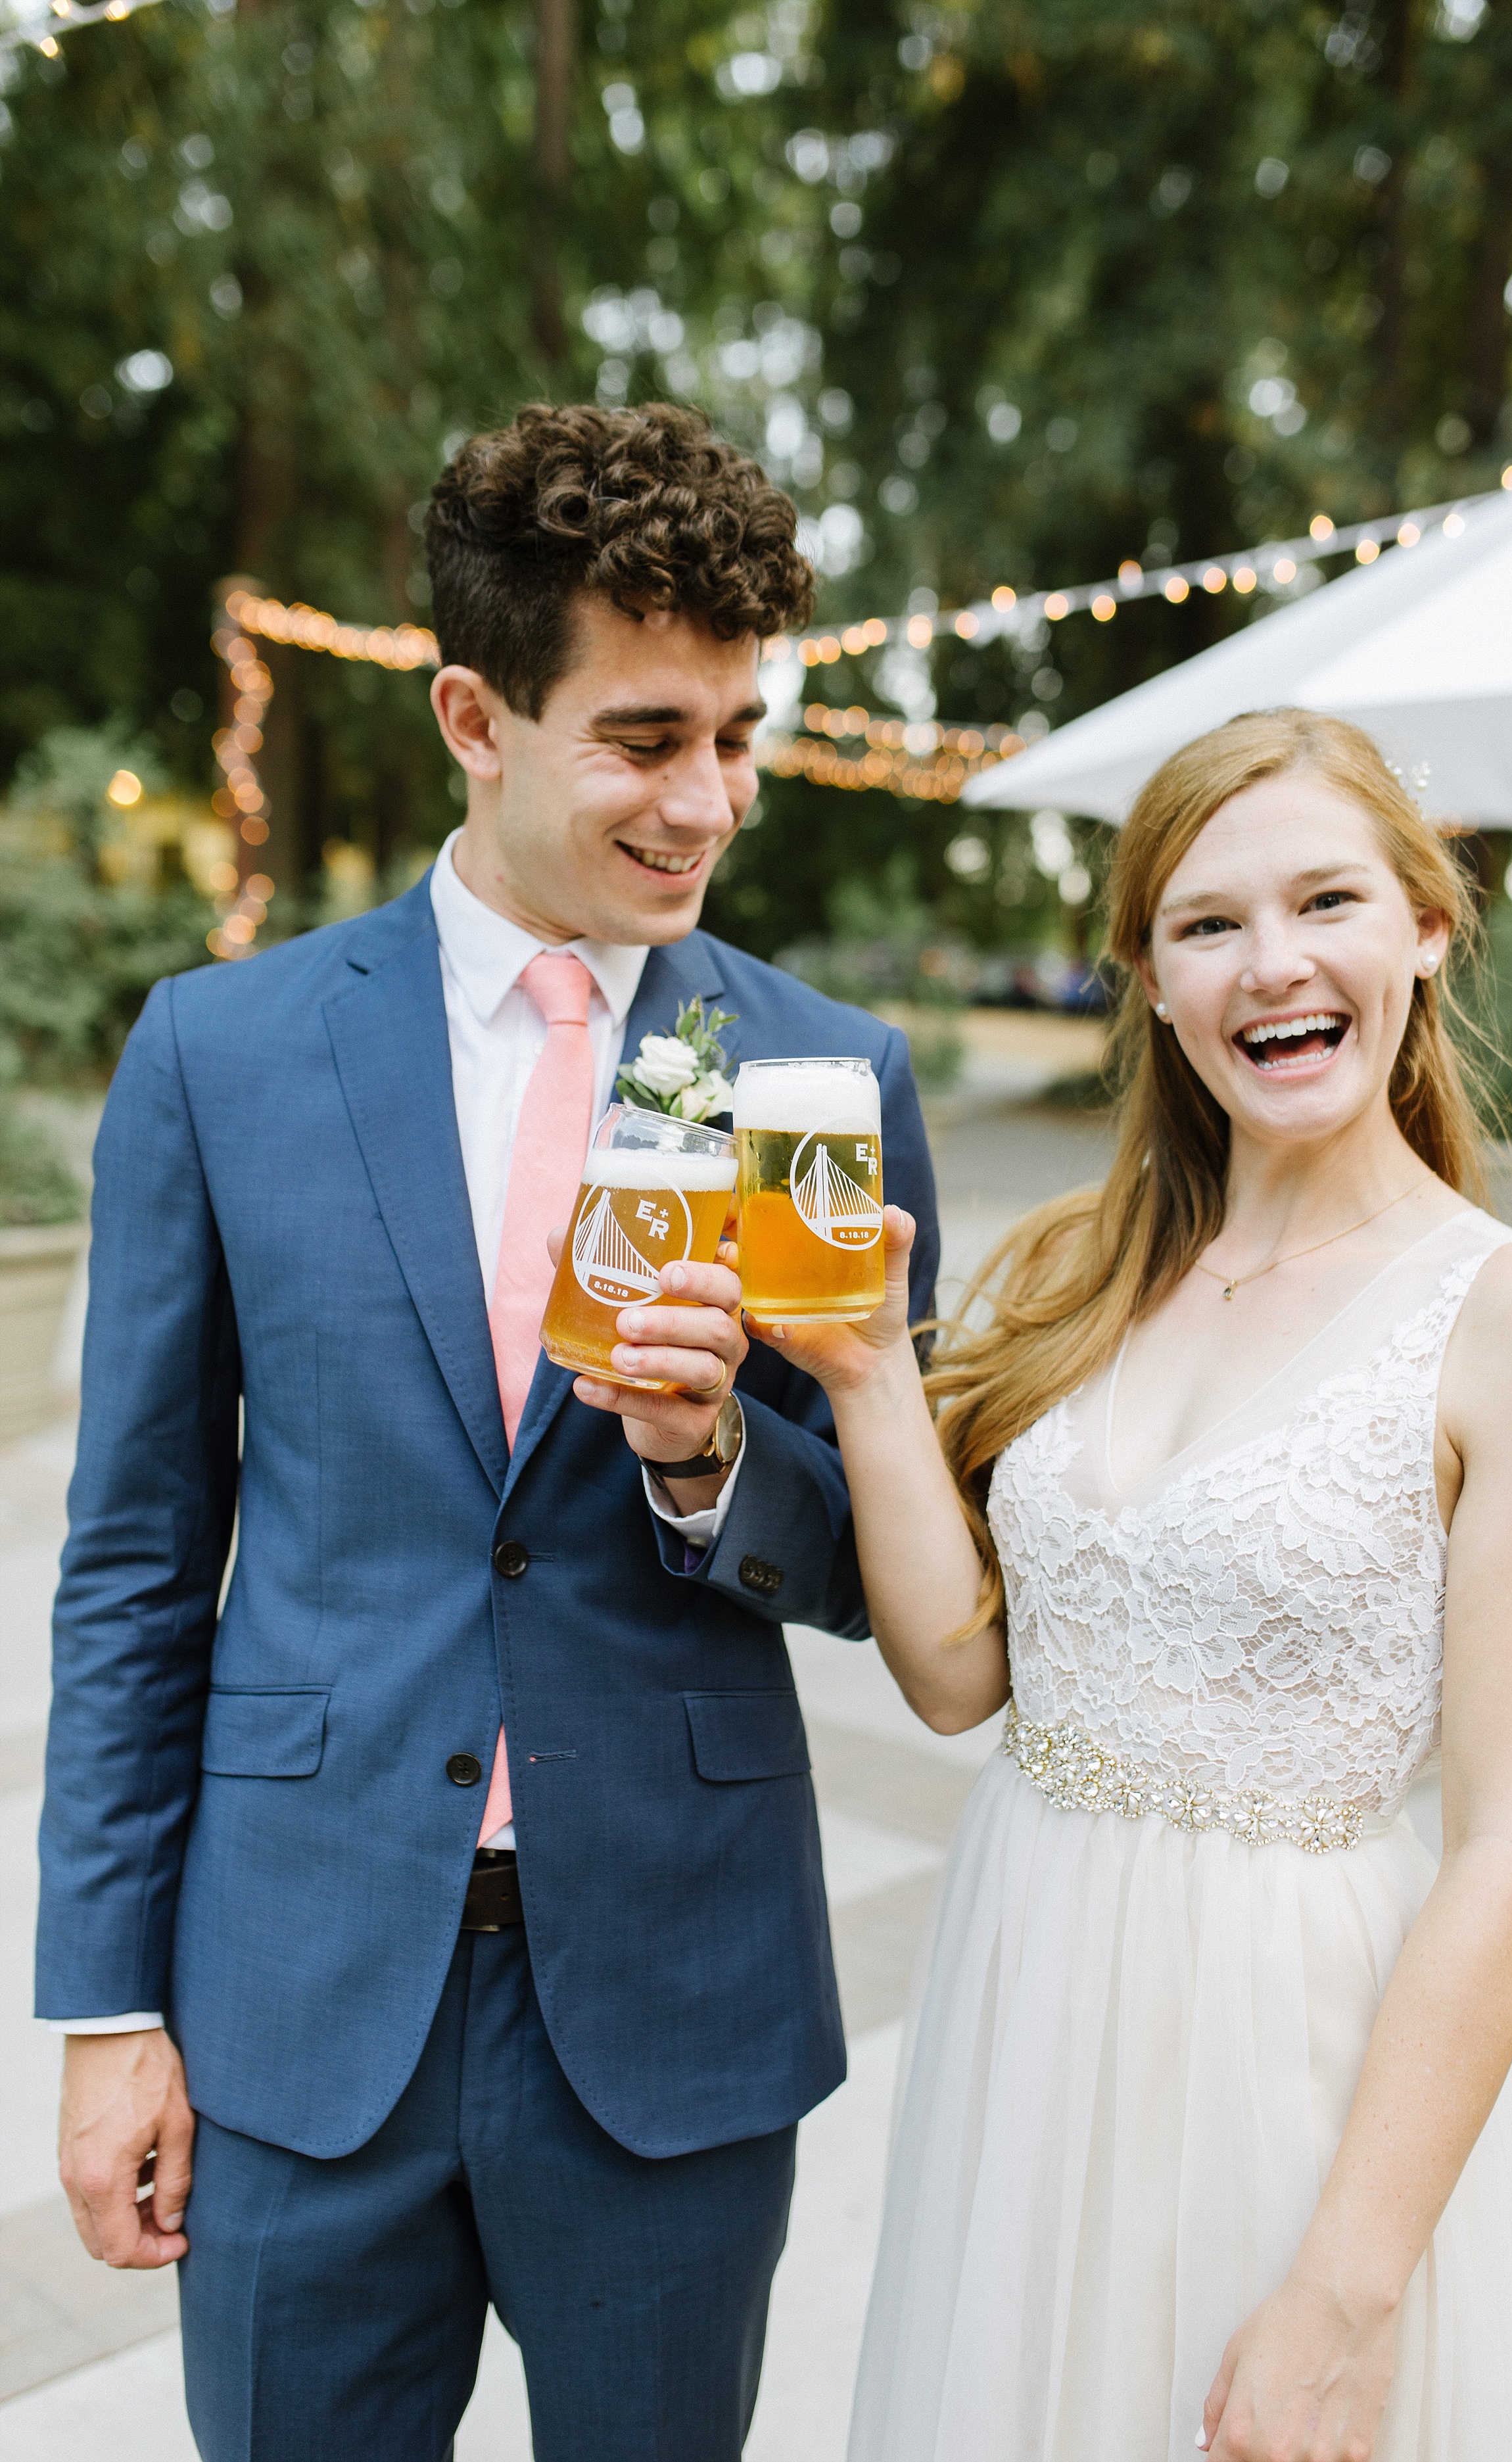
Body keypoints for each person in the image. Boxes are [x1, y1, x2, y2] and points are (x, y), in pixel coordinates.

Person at [37, 400, 938, 2459]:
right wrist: (107, 2015)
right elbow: (136, 1557)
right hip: (297, 1991)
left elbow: (896, 1565)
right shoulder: (223, 1052)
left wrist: (716, 1463)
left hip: (674, 2000)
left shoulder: (822, 1067)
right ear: (472, 713)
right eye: (644, 737)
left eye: (737, 731)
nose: (707, 798)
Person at [757, 709, 1512, 2462]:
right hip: (1030, 1990)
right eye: (1206, 922)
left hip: (1290, 2047)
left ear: (1423, 925)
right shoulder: (1079, 1272)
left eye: (1325, 899)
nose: (1272, 962)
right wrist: (862, 1374)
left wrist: (1345, 2287)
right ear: (1150, 978)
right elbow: (953, 1674)